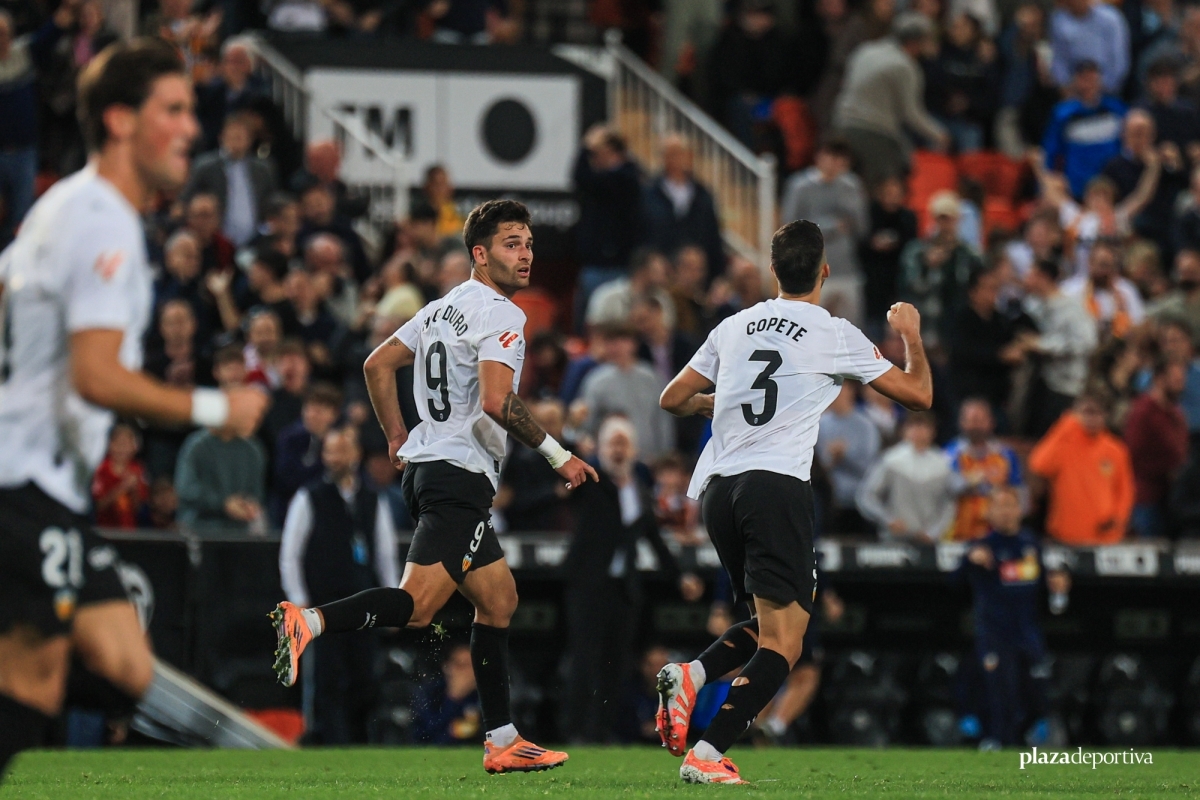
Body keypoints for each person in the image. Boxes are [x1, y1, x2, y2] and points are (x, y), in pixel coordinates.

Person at [0, 39, 267, 778]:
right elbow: (96, 377)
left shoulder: (58, 206)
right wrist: (216, 407)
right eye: (173, 110)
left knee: (120, 661)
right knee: (34, 680)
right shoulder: (103, 220)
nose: (191, 128)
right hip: (22, 485)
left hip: (37, 485)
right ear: (120, 120)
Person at [269, 200, 597, 775]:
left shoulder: (441, 310)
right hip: (458, 478)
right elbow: (498, 402)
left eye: (527, 244)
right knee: (418, 610)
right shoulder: (503, 315)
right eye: (512, 244)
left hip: (430, 470)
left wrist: (398, 434)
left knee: (499, 602)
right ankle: (310, 621)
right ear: (480, 253)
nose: (525, 255)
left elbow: (377, 365)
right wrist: (558, 454)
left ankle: (502, 738)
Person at [655, 219, 932, 783]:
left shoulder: (734, 325)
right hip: (775, 487)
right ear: (825, 270)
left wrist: (714, 406)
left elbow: (671, 398)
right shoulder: (832, 331)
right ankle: (707, 755)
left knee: (765, 626)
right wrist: (913, 335)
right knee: (787, 644)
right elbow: (919, 396)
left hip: (720, 490)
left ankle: (695, 676)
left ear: (774, 270)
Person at [562, 416, 703, 743]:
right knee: (583, 659)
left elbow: (653, 539)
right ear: (600, 448)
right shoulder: (590, 484)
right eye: (613, 443)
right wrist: (571, 439)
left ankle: (601, 730)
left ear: (635, 450)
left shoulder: (638, 490)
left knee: (615, 663)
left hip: (623, 588)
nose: (618, 450)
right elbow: (563, 478)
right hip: (587, 586)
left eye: (624, 443)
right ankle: (574, 730)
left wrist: (681, 578)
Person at [278, 427, 399, 744]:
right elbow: (291, 553)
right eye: (330, 451)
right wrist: (299, 600)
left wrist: (394, 602)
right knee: (326, 677)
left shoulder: (373, 499)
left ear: (356, 455)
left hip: (363, 607)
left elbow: (385, 554)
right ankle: (325, 738)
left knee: (364, 676)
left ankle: (360, 741)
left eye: (342, 450)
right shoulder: (310, 497)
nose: (335, 457)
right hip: (322, 607)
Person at [961, 485, 1069, 749]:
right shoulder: (983, 546)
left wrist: (1059, 590)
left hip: (1028, 634)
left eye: (1011, 505)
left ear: (1020, 511)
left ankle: (1026, 740)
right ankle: (999, 744)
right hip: (996, 634)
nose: (1006, 512)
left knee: (1038, 694)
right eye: (1000, 506)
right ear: (990, 512)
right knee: (1002, 693)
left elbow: (1048, 590)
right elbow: (955, 580)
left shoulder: (1030, 545)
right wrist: (971, 561)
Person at [833, 12, 949, 186]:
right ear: (914, 42)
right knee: (881, 188)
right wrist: (939, 134)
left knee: (844, 184)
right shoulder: (904, 66)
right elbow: (910, 113)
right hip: (874, 132)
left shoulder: (865, 50)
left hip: (841, 125)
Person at [175, 348, 268, 532]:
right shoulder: (197, 445)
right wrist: (223, 504)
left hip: (238, 535)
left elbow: (256, 493)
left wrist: (247, 506)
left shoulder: (253, 450)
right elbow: (186, 489)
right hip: (200, 531)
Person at [781, 139, 869, 326]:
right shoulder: (800, 186)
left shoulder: (851, 185)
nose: (836, 165)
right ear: (820, 157)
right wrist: (831, 227)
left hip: (846, 268)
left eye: (841, 161)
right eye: (832, 158)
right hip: (812, 270)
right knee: (809, 328)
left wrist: (851, 205)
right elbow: (790, 228)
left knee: (851, 330)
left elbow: (862, 228)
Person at [1029, 392, 1135, 544]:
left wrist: (1118, 518)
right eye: (1086, 412)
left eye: (1097, 412)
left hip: (1105, 536)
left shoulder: (1116, 450)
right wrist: (1065, 424)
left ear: (1105, 415)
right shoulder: (1065, 442)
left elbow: (1125, 490)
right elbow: (1039, 465)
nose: (1092, 418)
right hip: (1066, 534)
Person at [1019, 258, 1099, 436]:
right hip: (1042, 382)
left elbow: (1088, 342)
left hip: (1067, 386)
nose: (1025, 279)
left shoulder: (1071, 308)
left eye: (1030, 275)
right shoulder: (1035, 306)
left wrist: (1043, 345)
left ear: (1043, 277)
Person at [857, 412, 959, 541]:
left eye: (923, 426)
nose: (918, 431)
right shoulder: (891, 460)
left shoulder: (943, 465)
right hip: (895, 539)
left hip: (929, 541)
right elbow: (867, 496)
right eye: (913, 426)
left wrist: (934, 532)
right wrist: (888, 520)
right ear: (904, 430)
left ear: (933, 431)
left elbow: (949, 504)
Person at [182, 112, 275, 248]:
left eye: (240, 137)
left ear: (249, 140)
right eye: (232, 136)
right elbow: (187, 197)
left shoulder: (263, 169)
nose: (236, 141)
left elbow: (271, 200)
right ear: (222, 137)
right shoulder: (205, 166)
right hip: (216, 240)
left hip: (256, 241)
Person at [642, 135, 725, 283]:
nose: (676, 159)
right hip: (660, 275)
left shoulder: (702, 194)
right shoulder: (648, 193)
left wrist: (718, 276)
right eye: (670, 154)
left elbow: (713, 237)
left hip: (698, 278)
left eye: (680, 153)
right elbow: (642, 232)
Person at [1042, 60, 1127, 200]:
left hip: (1112, 188)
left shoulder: (1117, 110)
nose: (1088, 84)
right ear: (1076, 81)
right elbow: (1052, 153)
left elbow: (1126, 146)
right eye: (1084, 79)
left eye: (1092, 78)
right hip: (1076, 189)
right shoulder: (1063, 114)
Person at [1124, 358, 1189, 537]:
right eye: (1176, 380)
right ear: (1160, 379)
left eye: (1182, 380)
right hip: (1145, 499)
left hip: (1169, 498)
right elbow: (1131, 454)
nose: (1181, 385)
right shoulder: (1143, 412)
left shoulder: (1176, 413)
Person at [945, 398, 1024, 541]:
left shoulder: (1006, 455)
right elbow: (943, 492)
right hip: (958, 533)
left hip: (997, 534)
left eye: (980, 420)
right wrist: (967, 483)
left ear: (991, 422)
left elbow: (1020, 494)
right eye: (971, 420)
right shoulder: (949, 455)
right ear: (961, 422)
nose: (976, 426)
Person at [816, 381, 881, 534]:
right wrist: (831, 458)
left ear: (850, 391)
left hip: (859, 500)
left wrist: (846, 455)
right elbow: (816, 466)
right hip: (829, 500)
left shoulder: (866, 425)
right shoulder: (821, 424)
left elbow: (871, 467)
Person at [1049, 0, 1130, 95]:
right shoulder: (1059, 21)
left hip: (1108, 90)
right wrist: (1065, 85)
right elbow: (1059, 59)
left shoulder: (1110, 18)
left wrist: (1103, 87)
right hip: (1073, 90)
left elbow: (1119, 60)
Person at [411, 642, 483, 744]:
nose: (468, 671)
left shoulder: (486, 695)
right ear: (447, 667)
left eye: (473, 665)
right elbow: (428, 735)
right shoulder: (431, 694)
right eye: (461, 665)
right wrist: (454, 698)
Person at [90, 421, 149, 529]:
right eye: (118, 443)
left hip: (130, 531)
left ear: (135, 447)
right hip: (105, 529)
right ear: (109, 445)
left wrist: (134, 489)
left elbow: (139, 508)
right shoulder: (101, 469)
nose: (122, 448)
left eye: (127, 444)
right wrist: (122, 487)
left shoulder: (138, 470)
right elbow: (97, 506)